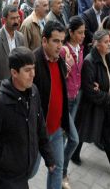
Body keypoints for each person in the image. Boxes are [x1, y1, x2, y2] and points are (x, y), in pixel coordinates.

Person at [0, 47, 55, 189]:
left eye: (33, 68)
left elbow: (40, 127)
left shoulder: (34, 92)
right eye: (27, 70)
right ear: (14, 72)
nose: (33, 74)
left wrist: (49, 157)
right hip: (7, 177)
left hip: (25, 170)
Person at [74, 30, 110, 175]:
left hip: (106, 103)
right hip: (93, 106)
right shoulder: (89, 61)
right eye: (105, 42)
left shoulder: (109, 55)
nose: (109, 44)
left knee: (107, 134)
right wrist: (105, 95)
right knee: (82, 132)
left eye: (109, 41)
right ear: (97, 45)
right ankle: (73, 154)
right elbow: (90, 89)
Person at [33, 21, 74, 189]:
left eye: (62, 41)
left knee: (56, 169)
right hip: (37, 133)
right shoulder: (33, 62)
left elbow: (60, 93)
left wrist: (64, 122)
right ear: (44, 41)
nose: (60, 46)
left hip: (56, 130)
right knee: (29, 172)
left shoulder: (60, 60)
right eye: (55, 41)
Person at [59, 16, 84, 188]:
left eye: (84, 32)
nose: (83, 35)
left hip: (76, 97)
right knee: (73, 139)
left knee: (66, 136)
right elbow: (60, 75)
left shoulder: (80, 49)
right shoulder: (63, 51)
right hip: (65, 99)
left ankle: (60, 168)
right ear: (71, 32)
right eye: (80, 33)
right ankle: (61, 171)